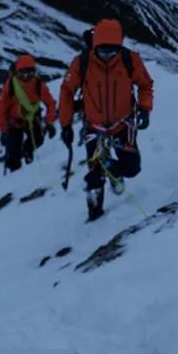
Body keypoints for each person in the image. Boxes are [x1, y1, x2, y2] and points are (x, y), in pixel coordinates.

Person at [59, 18, 153, 221]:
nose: (108, 56)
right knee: (94, 174)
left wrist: (145, 109)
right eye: (103, 51)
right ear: (95, 46)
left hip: (123, 124)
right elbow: (67, 91)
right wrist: (66, 124)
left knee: (132, 168)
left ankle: (113, 171)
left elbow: (145, 84)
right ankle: (94, 210)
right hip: (94, 126)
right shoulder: (82, 63)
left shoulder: (130, 59)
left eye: (113, 51)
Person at [0, 54, 57, 172]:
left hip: (33, 119)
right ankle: (14, 174)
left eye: (30, 72)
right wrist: (3, 131)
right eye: (23, 72)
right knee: (13, 152)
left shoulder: (39, 85)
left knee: (38, 139)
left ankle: (27, 153)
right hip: (14, 122)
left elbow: (50, 103)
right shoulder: (10, 86)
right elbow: (1, 109)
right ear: (17, 72)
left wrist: (49, 122)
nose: (26, 76)